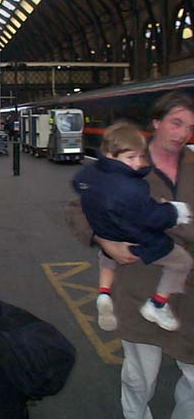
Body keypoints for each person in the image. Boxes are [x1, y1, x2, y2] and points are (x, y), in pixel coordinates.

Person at [66, 91, 194, 419]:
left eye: (190, 127)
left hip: (189, 293)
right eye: (176, 123)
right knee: (139, 379)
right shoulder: (126, 161)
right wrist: (102, 240)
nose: (182, 133)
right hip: (139, 286)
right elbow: (78, 209)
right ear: (156, 123)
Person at [72, 121, 192, 333]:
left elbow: (81, 188)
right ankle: (158, 304)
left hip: (109, 232)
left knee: (106, 257)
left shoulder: (90, 174)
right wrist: (174, 212)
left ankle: (103, 293)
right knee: (182, 261)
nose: (137, 163)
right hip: (137, 241)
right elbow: (150, 216)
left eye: (140, 157)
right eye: (131, 157)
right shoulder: (131, 186)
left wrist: (102, 239)